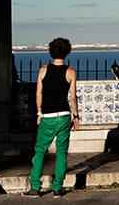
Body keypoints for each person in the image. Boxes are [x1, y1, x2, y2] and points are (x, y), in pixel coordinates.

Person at [23, 37, 79, 198]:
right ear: (67, 52)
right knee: (62, 153)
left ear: (51, 51)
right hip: (63, 116)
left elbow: (38, 94)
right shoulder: (70, 72)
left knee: (40, 152)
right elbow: (73, 98)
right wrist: (76, 116)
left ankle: (34, 188)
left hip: (47, 116)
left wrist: (39, 113)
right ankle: (57, 188)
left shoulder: (43, 70)